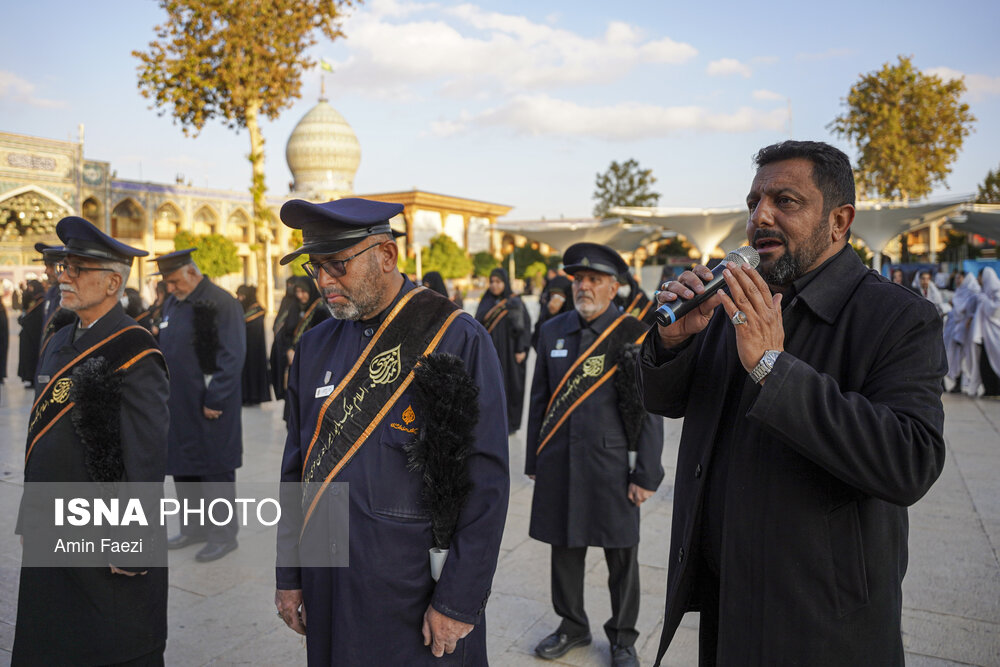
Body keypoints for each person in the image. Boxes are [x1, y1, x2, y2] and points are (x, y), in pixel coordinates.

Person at [640, 140, 947, 666]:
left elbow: (910, 461)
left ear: (839, 220)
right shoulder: (732, 300)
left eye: (786, 200)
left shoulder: (898, 318)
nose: (761, 215)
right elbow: (666, 401)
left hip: (822, 628)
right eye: (754, 201)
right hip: (725, 602)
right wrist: (674, 341)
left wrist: (772, 368)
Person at [274, 197, 509, 665]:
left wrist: (457, 600)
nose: (323, 281)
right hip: (329, 580)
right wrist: (290, 574)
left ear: (386, 255)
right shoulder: (316, 345)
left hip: (410, 593)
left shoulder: (456, 336)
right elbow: (297, 467)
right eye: (315, 267)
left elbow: (485, 483)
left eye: (337, 264)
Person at [13, 216, 169, 665]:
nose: (64, 275)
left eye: (78, 268)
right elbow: (41, 437)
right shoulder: (60, 337)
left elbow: (145, 454)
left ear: (112, 281)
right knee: (52, 629)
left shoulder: (135, 349)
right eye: (65, 266)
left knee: (109, 637)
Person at [526, 242, 664, 667]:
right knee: (564, 549)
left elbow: (649, 409)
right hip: (561, 462)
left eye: (594, 280)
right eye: (579, 279)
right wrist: (534, 460)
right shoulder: (551, 331)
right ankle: (572, 625)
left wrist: (646, 473)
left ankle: (622, 637)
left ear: (614, 287)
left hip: (611, 466)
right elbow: (540, 399)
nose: (583, 286)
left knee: (621, 554)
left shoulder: (633, 333)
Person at [152, 248, 245, 562]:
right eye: (168, 283)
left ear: (192, 273)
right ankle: (193, 528)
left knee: (214, 470)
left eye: (176, 281)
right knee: (184, 469)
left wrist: (216, 398)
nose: (172, 288)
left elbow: (231, 356)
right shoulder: (173, 303)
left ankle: (222, 535)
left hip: (210, 406)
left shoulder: (221, 302)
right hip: (178, 405)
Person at [475, 267, 531, 433]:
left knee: (512, 386)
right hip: (491, 353)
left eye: (498, 282)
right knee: (491, 387)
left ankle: (511, 424)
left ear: (505, 283)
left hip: (511, 353)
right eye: (492, 282)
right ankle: (493, 423)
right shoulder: (485, 301)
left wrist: (521, 349)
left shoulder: (514, 301)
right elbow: (477, 326)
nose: (494, 285)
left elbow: (524, 326)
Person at [967, 267, 1000, 398]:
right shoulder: (984, 293)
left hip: (995, 334)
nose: (978, 280)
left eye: (980, 276)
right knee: (985, 364)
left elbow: (996, 311)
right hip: (985, 336)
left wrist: (984, 300)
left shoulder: (997, 292)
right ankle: (989, 389)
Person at [944, 272, 980, 393]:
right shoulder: (959, 292)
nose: (957, 281)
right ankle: (957, 383)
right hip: (956, 330)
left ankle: (963, 383)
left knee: (964, 359)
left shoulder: (972, 293)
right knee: (955, 358)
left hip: (966, 331)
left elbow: (964, 311)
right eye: (956, 278)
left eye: (959, 278)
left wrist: (954, 304)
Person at [237, 284, 272, 406]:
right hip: (244, 349)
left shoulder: (256, 311)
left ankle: (253, 397)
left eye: (242, 296)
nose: (239, 298)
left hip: (254, 350)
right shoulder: (245, 309)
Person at [270, 277, 299, 401]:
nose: (290, 287)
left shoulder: (297, 303)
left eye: (292, 285)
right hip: (279, 342)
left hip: (291, 344)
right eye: (288, 284)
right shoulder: (285, 300)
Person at [532, 274, 573, 351]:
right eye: (553, 295)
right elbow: (537, 340)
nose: (556, 298)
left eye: (560, 295)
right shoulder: (546, 312)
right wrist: (550, 315)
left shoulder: (575, 315)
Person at [16, 279, 45, 387]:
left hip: (34, 338)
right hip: (28, 336)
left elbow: (35, 320)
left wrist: (23, 320)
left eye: (31, 287)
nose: (29, 290)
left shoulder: (41, 301)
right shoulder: (34, 299)